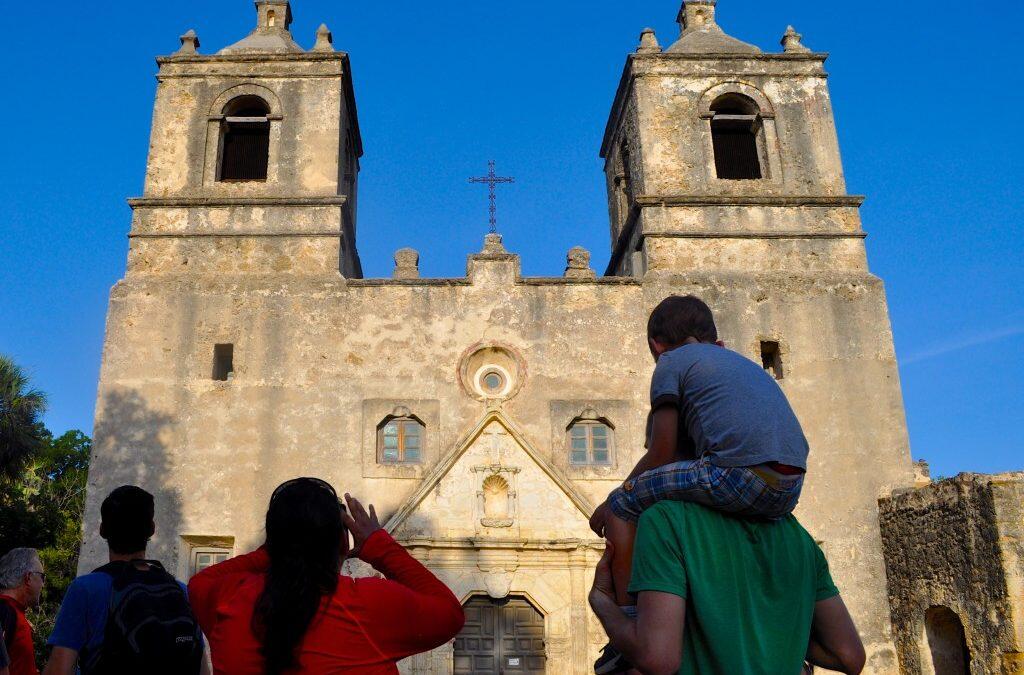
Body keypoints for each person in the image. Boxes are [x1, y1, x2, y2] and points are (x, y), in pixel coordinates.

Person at [589, 295, 810, 673]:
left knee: (624, 505)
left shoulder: (671, 363)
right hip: (789, 485)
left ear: (656, 347)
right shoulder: (742, 364)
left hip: (737, 473)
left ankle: (630, 625)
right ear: (717, 341)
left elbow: (662, 450)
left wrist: (612, 501)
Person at [188, 477, 465, 674]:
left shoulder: (226, 598)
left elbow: (200, 583)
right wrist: (379, 546)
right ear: (343, 544)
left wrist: (281, 547)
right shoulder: (366, 605)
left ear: (272, 540)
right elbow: (449, 613)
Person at [589, 501, 867, 674]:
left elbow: (657, 660)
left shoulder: (666, 520)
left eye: (651, 446)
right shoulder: (801, 540)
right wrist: (766, 634)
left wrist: (602, 601)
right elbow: (850, 657)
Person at [44, 486, 206, 675]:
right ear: (152, 530)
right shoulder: (181, 592)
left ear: (102, 530)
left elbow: (59, 669)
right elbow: (202, 669)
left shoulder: (86, 589)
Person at [0, 548, 45, 675]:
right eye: (42, 577)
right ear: (28, 577)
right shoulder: (5, 611)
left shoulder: (13, 611)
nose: (43, 584)